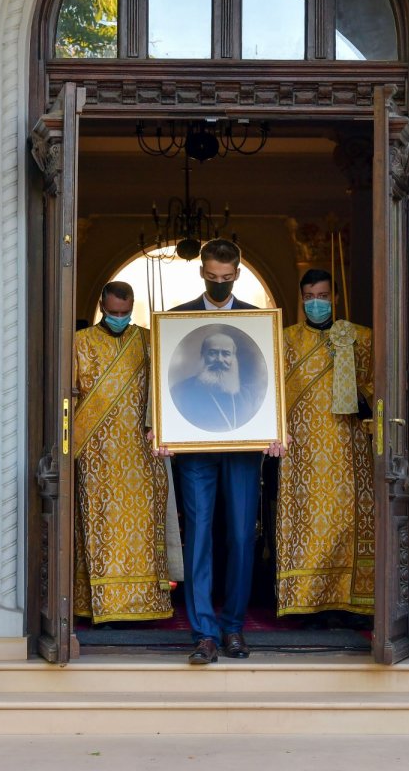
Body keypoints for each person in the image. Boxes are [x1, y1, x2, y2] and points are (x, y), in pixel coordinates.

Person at [158, 238, 284, 664]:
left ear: (238, 274)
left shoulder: (258, 323)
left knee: (240, 538)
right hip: (193, 451)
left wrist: (276, 429)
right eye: (212, 278)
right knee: (199, 540)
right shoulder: (177, 322)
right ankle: (204, 634)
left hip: (246, 450)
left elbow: (272, 388)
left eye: (226, 279)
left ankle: (233, 628)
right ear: (201, 274)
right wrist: (161, 431)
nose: (219, 284)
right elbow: (161, 390)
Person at [275, 269, 375, 617]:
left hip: (349, 449)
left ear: (335, 296)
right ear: (301, 299)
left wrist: (351, 377)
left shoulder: (361, 338)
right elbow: (271, 393)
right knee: (307, 526)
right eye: (308, 297)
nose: (315, 303)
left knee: (347, 523)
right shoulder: (284, 340)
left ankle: (346, 602)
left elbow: (377, 390)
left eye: (321, 296)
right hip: (301, 452)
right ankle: (307, 604)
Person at [72, 281, 173, 623]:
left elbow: (164, 392)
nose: (118, 318)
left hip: (140, 455)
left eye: (125, 313)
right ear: (101, 305)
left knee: (140, 531)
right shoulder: (79, 343)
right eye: (112, 312)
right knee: (100, 528)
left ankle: (144, 604)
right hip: (96, 456)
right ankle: (99, 604)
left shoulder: (146, 340)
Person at [170, 331, 261, 432]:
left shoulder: (246, 396)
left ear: (233, 358)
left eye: (226, 354)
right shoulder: (180, 392)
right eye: (213, 353)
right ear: (202, 355)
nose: (220, 360)